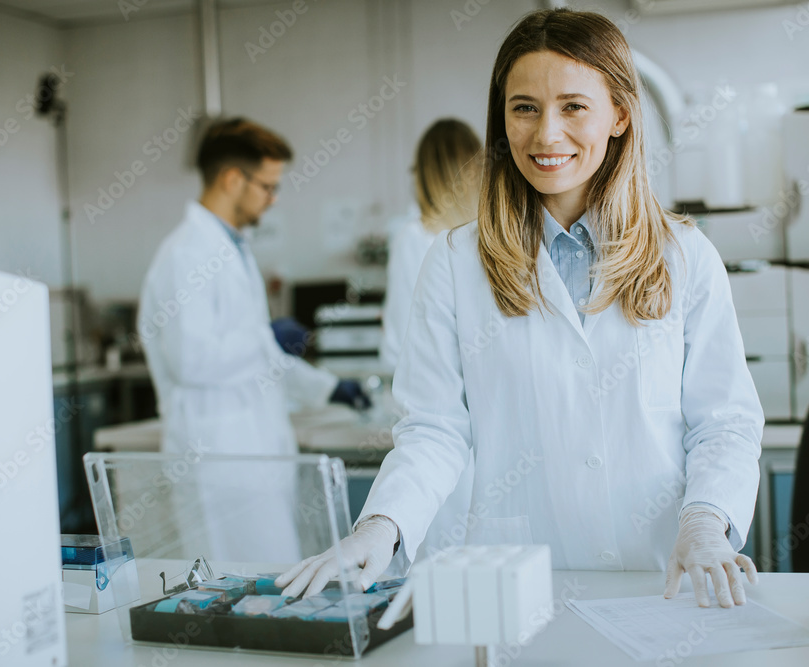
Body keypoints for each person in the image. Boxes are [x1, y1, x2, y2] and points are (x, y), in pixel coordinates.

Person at [277, 9, 763, 609]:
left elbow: (725, 422)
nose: (546, 134)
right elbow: (434, 429)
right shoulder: (456, 261)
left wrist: (706, 520)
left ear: (619, 114)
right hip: (511, 585)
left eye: (573, 107)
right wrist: (381, 524)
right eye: (524, 107)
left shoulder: (684, 256)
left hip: (658, 578)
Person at [137, 118, 368, 560]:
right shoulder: (187, 254)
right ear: (231, 179)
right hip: (216, 458)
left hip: (249, 454)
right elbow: (192, 359)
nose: (273, 198)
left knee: (269, 581)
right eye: (267, 186)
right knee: (236, 590)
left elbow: (260, 358)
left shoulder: (231, 249)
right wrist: (266, 337)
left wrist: (326, 387)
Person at [380, 118, 481, 368]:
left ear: (424, 175)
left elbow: (400, 340)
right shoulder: (492, 232)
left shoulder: (414, 237)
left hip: (433, 390)